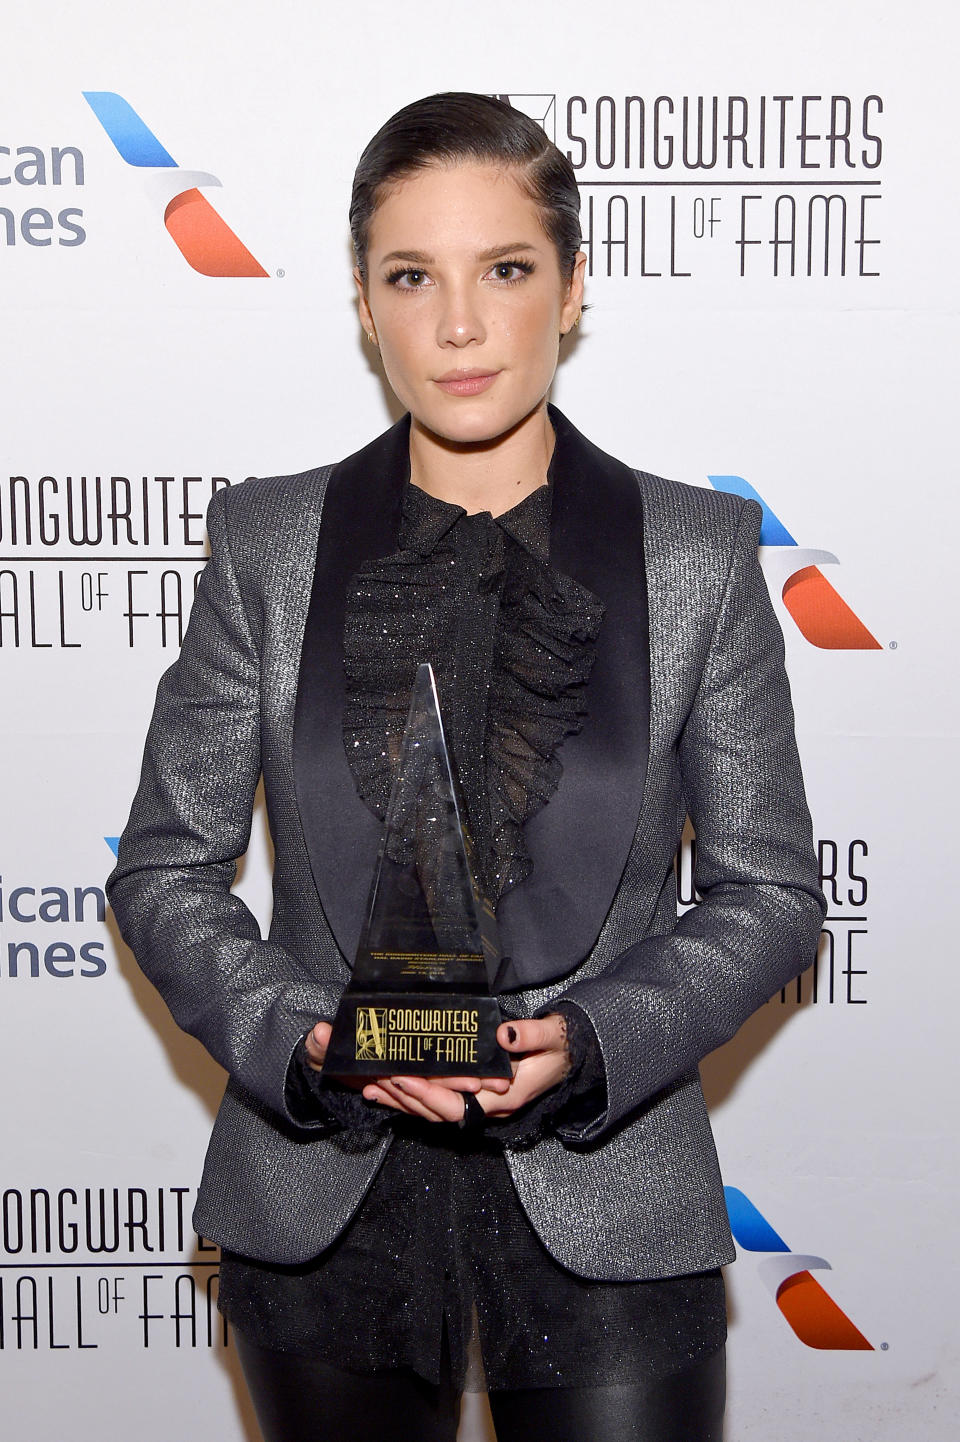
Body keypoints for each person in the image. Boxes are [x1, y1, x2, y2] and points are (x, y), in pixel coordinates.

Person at [107, 93, 825, 1442]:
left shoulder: (698, 556)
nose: (456, 325)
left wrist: (601, 1036)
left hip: (611, 1184)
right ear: (365, 304)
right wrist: (298, 1035)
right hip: (324, 1190)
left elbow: (772, 892)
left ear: (572, 287)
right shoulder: (270, 544)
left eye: (504, 269)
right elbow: (164, 868)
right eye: (409, 276)